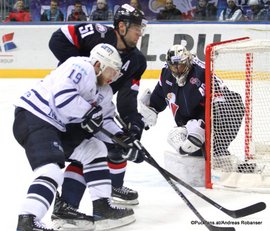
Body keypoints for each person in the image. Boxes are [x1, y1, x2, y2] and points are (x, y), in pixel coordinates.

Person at [13, 43, 144, 231]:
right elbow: (63, 97)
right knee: (51, 170)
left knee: (94, 149)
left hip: (58, 127)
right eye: (111, 71)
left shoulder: (104, 92)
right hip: (36, 116)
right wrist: (88, 112)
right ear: (98, 64)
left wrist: (124, 141)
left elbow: (104, 121)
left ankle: (100, 209)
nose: (112, 77)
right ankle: (28, 220)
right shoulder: (81, 66)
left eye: (116, 74)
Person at [48, 3, 147, 230]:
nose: (140, 33)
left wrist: (132, 124)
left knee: (110, 145)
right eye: (136, 28)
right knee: (86, 148)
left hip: (96, 107)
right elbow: (57, 39)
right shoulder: (98, 35)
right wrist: (83, 76)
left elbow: (126, 97)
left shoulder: (138, 61)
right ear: (121, 26)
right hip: (69, 104)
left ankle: (84, 201)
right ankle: (72, 206)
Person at [140, 44, 245, 162]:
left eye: (181, 65)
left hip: (210, 120)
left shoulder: (202, 72)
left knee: (235, 102)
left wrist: (202, 123)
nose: (178, 70)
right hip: (186, 126)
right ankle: (201, 152)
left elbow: (222, 101)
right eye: (174, 67)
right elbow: (158, 98)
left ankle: (217, 150)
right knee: (194, 153)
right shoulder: (166, 74)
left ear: (188, 61)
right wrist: (146, 114)